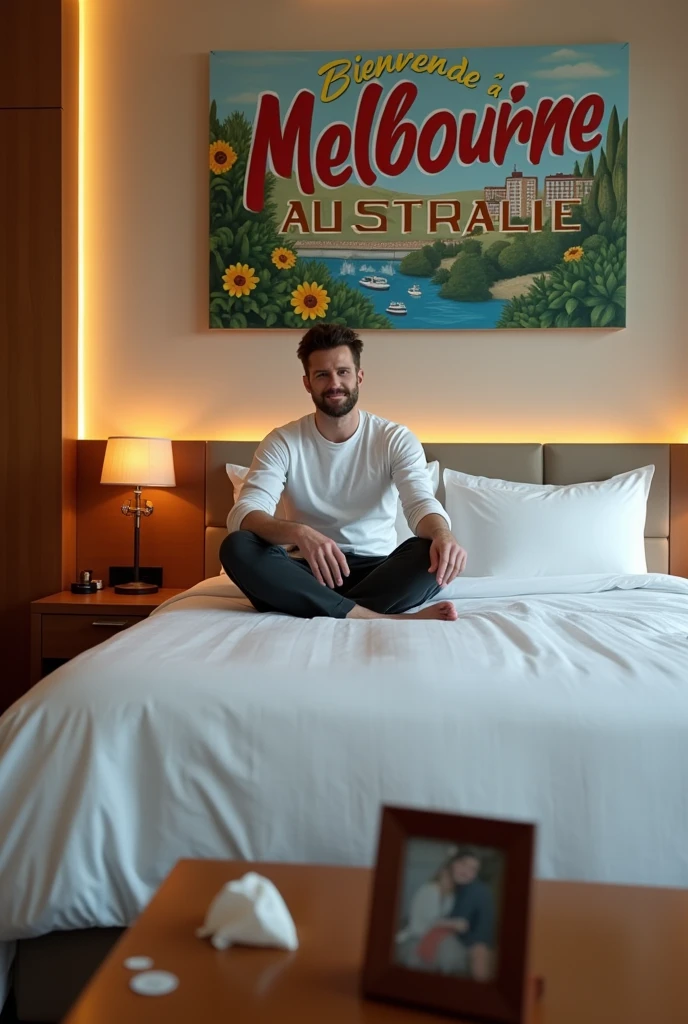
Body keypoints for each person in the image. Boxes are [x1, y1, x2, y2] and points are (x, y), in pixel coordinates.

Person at [220, 323, 467, 620]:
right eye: (322, 375)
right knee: (238, 546)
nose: (334, 383)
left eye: (343, 372)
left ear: (359, 377)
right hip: (305, 570)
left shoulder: (394, 438)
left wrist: (444, 535)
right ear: (307, 383)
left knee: (429, 549)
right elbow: (245, 511)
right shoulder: (283, 441)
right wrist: (299, 533)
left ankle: (325, 607)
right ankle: (374, 616)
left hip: (377, 571)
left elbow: (419, 503)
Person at [431, 851, 496, 981]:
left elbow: (461, 922)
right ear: (453, 863)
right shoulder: (454, 886)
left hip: (475, 945)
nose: (466, 871)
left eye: (473, 869)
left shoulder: (475, 890)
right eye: (463, 864)